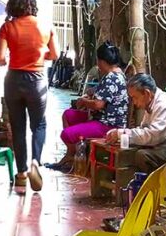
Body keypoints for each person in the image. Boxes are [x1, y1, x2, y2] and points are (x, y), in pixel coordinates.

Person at [0, 0, 58, 191]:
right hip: (37, 80)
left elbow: (0, 56)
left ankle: (21, 173)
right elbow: (54, 55)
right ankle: (35, 162)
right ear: (32, 3)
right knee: (38, 124)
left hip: (13, 79)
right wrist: (41, 55)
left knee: (18, 127)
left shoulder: (7, 27)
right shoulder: (45, 26)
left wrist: (5, 59)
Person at [48, 41, 129, 173]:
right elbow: (102, 92)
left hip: (107, 125)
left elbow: (98, 104)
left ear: (102, 61)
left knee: (66, 134)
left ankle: (76, 157)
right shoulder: (115, 75)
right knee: (68, 115)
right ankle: (71, 154)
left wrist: (84, 102)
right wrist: (91, 92)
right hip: (101, 118)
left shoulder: (111, 78)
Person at [106, 73, 166, 172]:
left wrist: (121, 133)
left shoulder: (163, 104)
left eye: (135, 97)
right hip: (161, 147)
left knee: (142, 155)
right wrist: (123, 135)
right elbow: (143, 129)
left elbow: (155, 136)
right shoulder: (151, 103)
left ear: (146, 93)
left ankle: (155, 184)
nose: (134, 102)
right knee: (131, 149)